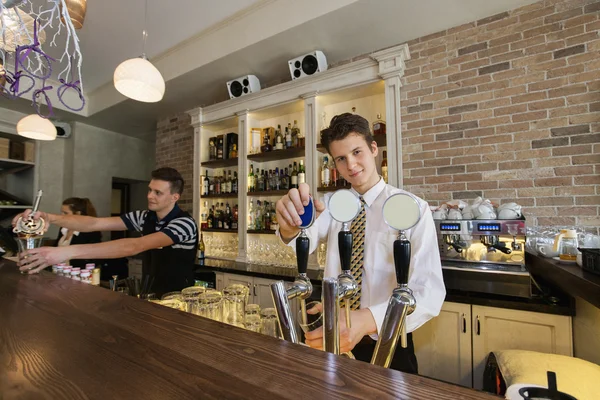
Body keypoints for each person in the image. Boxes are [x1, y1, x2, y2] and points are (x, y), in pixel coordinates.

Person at [275, 113, 445, 373]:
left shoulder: (412, 208)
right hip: (333, 333)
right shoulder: (333, 205)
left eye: (357, 152)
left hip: (389, 340)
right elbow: (300, 241)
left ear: (374, 149)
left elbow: (429, 292)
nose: (351, 165)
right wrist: (288, 227)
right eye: (341, 159)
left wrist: (367, 319)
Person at [14, 167, 198, 296]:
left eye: (158, 193)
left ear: (175, 197)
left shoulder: (184, 223)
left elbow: (135, 246)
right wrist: (49, 217)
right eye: (150, 190)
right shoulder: (144, 217)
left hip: (180, 298)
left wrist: (66, 252)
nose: (149, 195)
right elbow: (94, 223)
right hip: (149, 293)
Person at [55, 197, 102, 268]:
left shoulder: (90, 231)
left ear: (78, 214)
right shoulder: (63, 228)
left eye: (65, 213)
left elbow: (93, 257)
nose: (62, 215)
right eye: (61, 212)